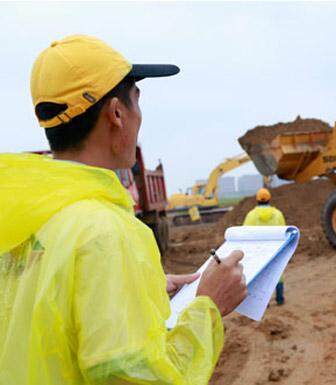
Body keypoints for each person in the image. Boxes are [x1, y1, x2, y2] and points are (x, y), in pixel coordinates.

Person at [0, 35, 247, 385]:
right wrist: (209, 307)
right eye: (137, 103)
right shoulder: (106, 232)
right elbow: (135, 376)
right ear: (116, 113)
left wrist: (136, 287)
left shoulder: (19, 219)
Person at [242, 188, 287, 305]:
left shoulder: (251, 216)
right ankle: (280, 299)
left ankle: (263, 303)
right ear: (269, 199)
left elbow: (245, 234)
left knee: (261, 276)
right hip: (275, 250)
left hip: (258, 252)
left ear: (257, 200)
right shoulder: (278, 214)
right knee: (277, 274)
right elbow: (284, 233)